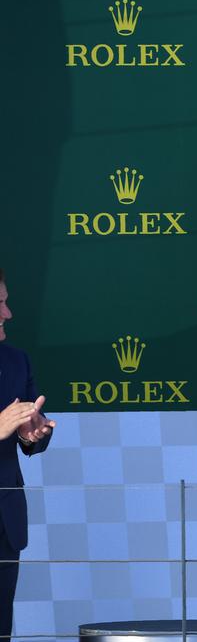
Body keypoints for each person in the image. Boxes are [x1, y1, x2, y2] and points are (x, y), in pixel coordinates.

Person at [0, 269, 55, 639]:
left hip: (5, 524)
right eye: (0, 304)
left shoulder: (17, 361)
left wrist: (32, 435)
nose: (8, 314)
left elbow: (31, 435)